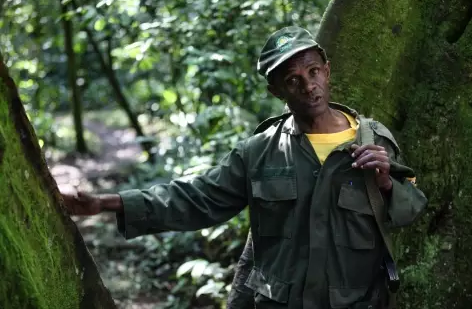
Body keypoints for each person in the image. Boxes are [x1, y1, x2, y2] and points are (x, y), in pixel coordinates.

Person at [61, 26, 427, 309]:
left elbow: (411, 209)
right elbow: (197, 198)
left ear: (327, 72)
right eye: (293, 80)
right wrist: (106, 203)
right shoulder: (261, 151)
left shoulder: (372, 139)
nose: (309, 86)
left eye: (314, 72)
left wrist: (386, 184)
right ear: (276, 91)